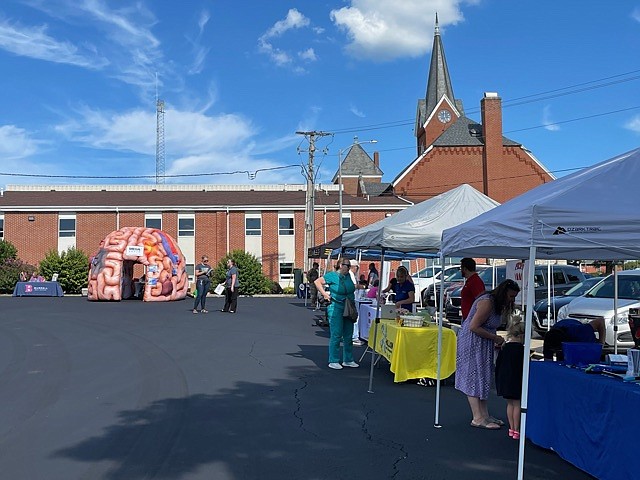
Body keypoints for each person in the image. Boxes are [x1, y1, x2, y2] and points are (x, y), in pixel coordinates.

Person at [455, 279, 520, 430]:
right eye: (511, 296)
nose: (512, 300)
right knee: (473, 376)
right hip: (472, 341)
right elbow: (473, 326)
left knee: (483, 376)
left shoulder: (495, 303)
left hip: (483, 341)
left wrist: (493, 339)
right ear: (504, 293)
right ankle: (477, 417)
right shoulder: (487, 302)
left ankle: (485, 415)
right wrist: (495, 338)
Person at [314, 259, 359, 370]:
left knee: (349, 334)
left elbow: (353, 287)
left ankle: (348, 359)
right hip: (336, 306)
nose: (349, 267)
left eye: (350, 266)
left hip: (348, 307)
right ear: (340, 265)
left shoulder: (349, 275)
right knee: (336, 334)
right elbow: (317, 282)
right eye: (347, 265)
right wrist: (325, 294)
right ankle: (333, 360)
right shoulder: (332, 276)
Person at [495, 321, 525, 440]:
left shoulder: (504, 347)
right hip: (516, 380)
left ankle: (511, 428)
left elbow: (498, 364)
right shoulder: (521, 350)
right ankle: (517, 429)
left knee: (510, 404)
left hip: (505, 380)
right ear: (522, 336)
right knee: (517, 404)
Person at [348, 259, 366, 346]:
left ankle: (351, 336)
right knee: (355, 317)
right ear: (354, 267)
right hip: (352, 298)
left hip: (351, 298)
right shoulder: (351, 275)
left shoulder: (348, 274)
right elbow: (354, 286)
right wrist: (361, 286)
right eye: (357, 268)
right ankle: (354, 337)